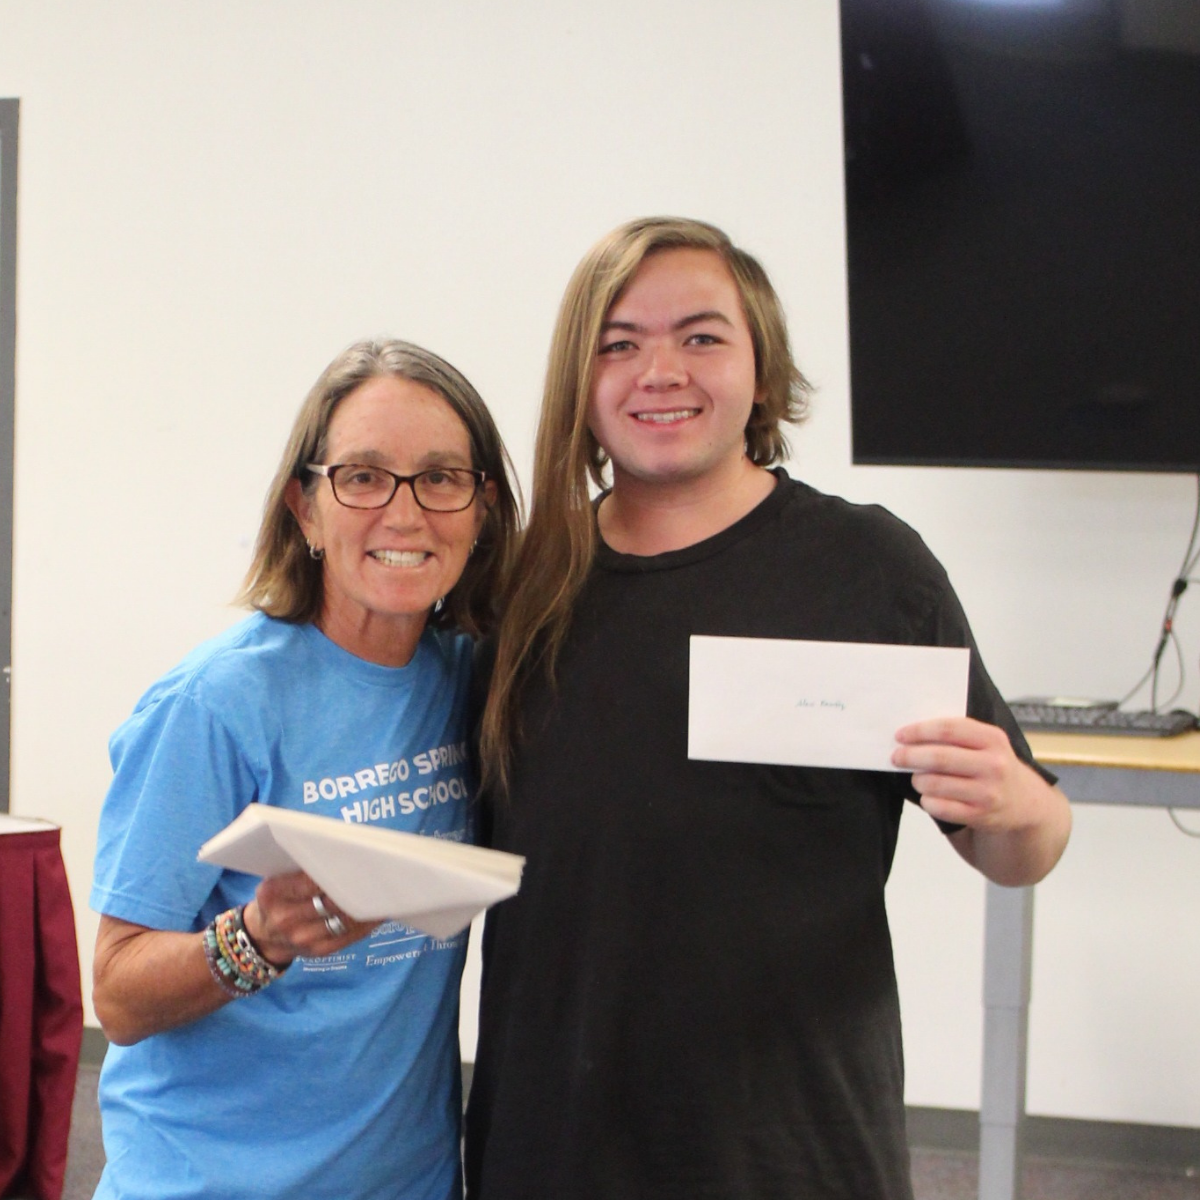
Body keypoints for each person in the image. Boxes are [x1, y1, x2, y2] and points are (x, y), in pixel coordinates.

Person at [464, 218, 1072, 1200]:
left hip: (794, 1154)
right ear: (580, 379)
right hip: (556, 1146)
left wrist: (1019, 805)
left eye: (702, 336)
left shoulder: (869, 568)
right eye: (619, 343)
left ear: (761, 367)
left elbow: (1022, 846)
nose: (660, 370)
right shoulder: (521, 586)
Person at [89, 338, 520, 1200]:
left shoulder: (477, 681)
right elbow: (119, 996)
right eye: (363, 476)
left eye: (440, 478)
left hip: (406, 1182)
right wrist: (260, 938)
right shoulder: (215, 703)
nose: (404, 514)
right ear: (305, 509)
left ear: (481, 509)